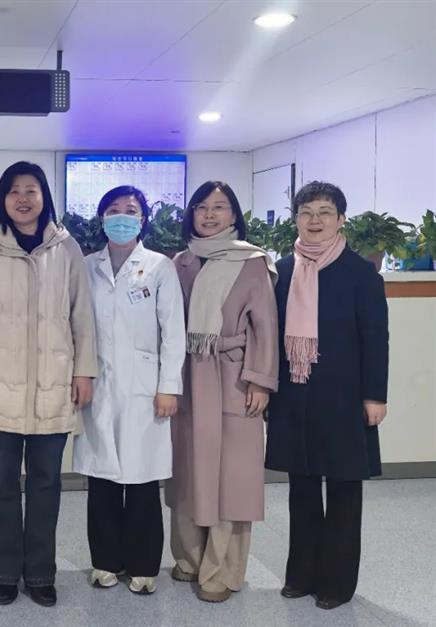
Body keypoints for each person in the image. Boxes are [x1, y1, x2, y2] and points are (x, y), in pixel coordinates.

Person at [0, 161, 98, 607]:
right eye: (14, 190)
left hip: (53, 385)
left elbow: (82, 315)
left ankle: (40, 573)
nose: (23, 198)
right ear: (3, 198)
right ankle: (4, 573)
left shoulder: (67, 248)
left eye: (31, 190)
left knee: (46, 485)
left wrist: (84, 371)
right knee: (0, 484)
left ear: (44, 197)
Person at [266, 181, 388, 611]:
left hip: (344, 398)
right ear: (295, 219)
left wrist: (375, 395)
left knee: (343, 491)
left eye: (324, 212)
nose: (314, 220)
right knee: (301, 489)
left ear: (340, 219)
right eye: (306, 212)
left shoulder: (360, 273)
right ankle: (301, 575)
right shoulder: (282, 271)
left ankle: (338, 583)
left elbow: (375, 339)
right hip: (294, 395)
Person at [165, 180, 278, 603]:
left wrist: (260, 380)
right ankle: (189, 558)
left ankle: (222, 569)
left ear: (234, 215)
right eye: (202, 207)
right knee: (188, 473)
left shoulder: (252, 262)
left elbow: (265, 326)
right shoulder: (180, 262)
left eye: (220, 207)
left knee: (232, 478)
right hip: (186, 379)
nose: (210, 215)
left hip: (232, 378)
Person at [72, 186, 185, 595]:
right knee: (101, 479)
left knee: (141, 480)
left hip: (145, 386)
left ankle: (143, 565)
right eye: (114, 210)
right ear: (101, 218)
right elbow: (75, 325)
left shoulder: (159, 267)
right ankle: (105, 562)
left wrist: (168, 386)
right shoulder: (86, 266)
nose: (122, 217)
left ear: (143, 220)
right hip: (98, 383)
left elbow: (173, 332)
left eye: (131, 210)